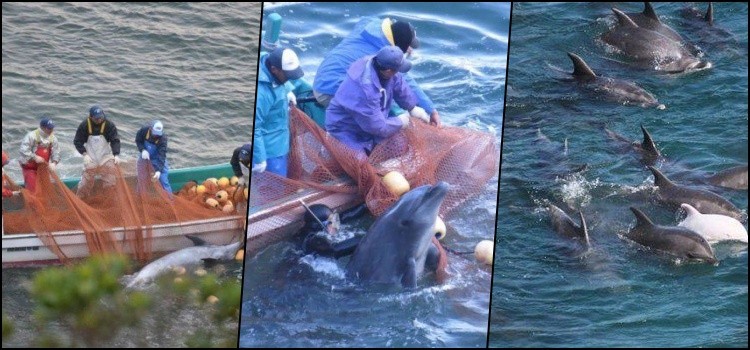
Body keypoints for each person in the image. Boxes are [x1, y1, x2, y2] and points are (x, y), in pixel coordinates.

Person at [313, 17, 441, 126]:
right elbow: (405, 81)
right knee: (382, 108)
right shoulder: (381, 55)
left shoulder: (371, 26)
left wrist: (400, 46)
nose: (409, 50)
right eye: (406, 47)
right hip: (329, 91)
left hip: (321, 79)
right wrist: (430, 110)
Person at [325, 46, 430, 157]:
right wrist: (401, 121)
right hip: (344, 128)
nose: (397, 73)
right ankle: (332, 146)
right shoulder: (365, 90)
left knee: (400, 146)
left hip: (370, 122)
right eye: (397, 70)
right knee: (360, 164)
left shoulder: (379, 63)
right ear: (389, 71)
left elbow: (398, 83)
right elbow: (377, 127)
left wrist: (412, 107)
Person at [254, 46, 305, 177]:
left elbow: (264, 54)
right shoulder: (261, 95)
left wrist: (287, 90)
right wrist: (260, 159)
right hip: (271, 150)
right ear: (274, 70)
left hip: (282, 138)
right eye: (288, 76)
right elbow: (255, 128)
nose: (290, 78)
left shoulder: (267, 59)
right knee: (274, 186)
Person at [73, 105, 121, 197]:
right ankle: (81, 199)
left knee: (110, 181)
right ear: (91, 117)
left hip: (105, 157)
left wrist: (116, 154)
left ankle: (109, 198)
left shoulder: (109, 125)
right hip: (91, 157)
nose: (99, 120)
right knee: (84, 184)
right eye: (97, 118)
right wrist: (84, 154)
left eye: (101, 117)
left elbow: (115, 140)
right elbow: (77, 141)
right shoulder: (84, 125)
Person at [298, 203, 368, 258]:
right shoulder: (313, 239)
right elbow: (334, 250)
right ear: (320, 225)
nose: (334, 222)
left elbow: (344, 217)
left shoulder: (315, 227)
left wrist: (364, 206)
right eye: (331, 221)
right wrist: (367, 239)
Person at [19, 118, 61, 193]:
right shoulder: (31, 136)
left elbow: (56, 152)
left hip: (43, 168)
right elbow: (23, 150)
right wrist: (34, 157)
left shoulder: (53, 138)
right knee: (33, 190)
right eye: (49, 128)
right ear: (42, 128)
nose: (51, 130)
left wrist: (54, 162)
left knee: (45, 190)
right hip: (30, 168)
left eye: (52, 128)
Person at [136, 120, 172, 194]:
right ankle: (140, 199)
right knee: (141, 180)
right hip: (145, 157)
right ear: (150, 129)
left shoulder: (163, 139)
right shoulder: (144, 130)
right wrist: (142, 150)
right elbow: (138, 140)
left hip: (157, 159)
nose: (156, 135)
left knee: (163, 180)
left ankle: (170, 202)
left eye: (158, 134)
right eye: (155, 133)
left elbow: (162, 155)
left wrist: (158, 170)